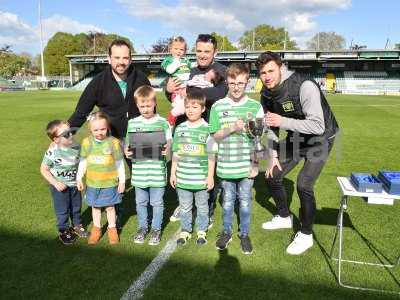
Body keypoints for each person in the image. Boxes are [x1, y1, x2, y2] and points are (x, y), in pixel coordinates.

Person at [256, 51, 339, 255]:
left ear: (281, 67)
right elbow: (270, 128)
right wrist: (273, 157)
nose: (267, 76)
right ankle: (284, 217)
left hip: (321, 138)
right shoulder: (266, 93)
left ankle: (306, 234)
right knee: (273, 174)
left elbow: (318, 126)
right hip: (297, 137)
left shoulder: (304, 86)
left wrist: (282, 121)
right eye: (262, 73)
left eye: (271, 71)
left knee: (303, 184)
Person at [68, 39, 150, 229]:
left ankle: (148, 215)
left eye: (125, 58)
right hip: (111, 141)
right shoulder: (98, 82)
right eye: (117, 57)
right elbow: (81, 112)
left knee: (146, 177)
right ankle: (118, 217)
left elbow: (150, 107)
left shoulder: (141, 78)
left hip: (140, 137)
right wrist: (63, 136)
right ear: (109, 58)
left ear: (131, 59)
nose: (121, 62)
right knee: (115, 180)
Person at [166, 33, 228, 224]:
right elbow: (173, 91)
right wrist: (167, 89)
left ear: (215, 52)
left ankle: (206, 208)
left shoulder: (221, 70)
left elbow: (219, 93)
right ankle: (184, 204)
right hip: (185, 129)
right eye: (199, 50)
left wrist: (190, 92)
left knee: (205, 170)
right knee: (184, 166)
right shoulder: (189, 69)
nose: (202, 55)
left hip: (207, 130)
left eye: (207, 51)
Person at [209, 63, 264, 255]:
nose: (236, 87)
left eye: (241, 82)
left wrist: (256, 165)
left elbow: (258, 139)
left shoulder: (255, 107)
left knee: (246, 202)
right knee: (227, 202)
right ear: (227, 82)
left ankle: (244, 233)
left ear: (247, 82)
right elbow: (215, 135)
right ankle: (226, 231)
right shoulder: (218, 106)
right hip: (225, 166)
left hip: (246, 167)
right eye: (232, 82)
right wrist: (232, 127)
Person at [125, 85, 172, 246]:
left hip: (157, 173)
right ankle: (142, 227)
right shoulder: (132, 123)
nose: (145, 109)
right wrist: (127, 151)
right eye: (141, 106)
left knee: (157, 203)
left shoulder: (163, 123)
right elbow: (128, 144)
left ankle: (156, 229)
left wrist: (169, 148)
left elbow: (170, 141)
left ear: (154, 103)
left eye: (148, 105)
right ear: (137, 105)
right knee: (140, 203)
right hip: (139, 173)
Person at [170, 90, 216, 246]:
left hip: (201, 179)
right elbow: (176, 152)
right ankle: (185, 230)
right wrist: (173, 173)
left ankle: (201, 230)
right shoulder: (180, 128)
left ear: (203, 109)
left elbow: (211, 155)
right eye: (188, 106)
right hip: (183, 178)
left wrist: (210, 176)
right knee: (184, 207)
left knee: (202, 207)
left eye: (195, 107)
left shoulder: (208, 129)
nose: (190, 110)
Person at [76, 112, 125, 245]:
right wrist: (79, 177)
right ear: (90, 129)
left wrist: (122, 181)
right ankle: (96, 229)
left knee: (110, 207)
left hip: (109, 182)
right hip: (92, 183)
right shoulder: (86, 142)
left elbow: (119, 163)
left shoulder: (113, 143)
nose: (99, 132)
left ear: (107, 127)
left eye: (102, 129)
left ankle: (112, 229)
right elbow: (83, 161)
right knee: (95, 207)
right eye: (95, 130)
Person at [40, 120, 88, 245]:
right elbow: (44, 169)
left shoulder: (77, 147)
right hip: (59, 187)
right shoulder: (53, 152)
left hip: (74, 184)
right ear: (56, 139)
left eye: (71, 132)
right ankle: (63, 230)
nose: (71, 135)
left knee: (76, 207)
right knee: (62, 210)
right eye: (66, 135)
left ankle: (77, 225)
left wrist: (79, 178)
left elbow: (82, 161)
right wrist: (55, 183)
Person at [161, 36, 192, 126]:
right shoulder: (169, 60)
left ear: (185, 51)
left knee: (187, 107)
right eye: (176, 49)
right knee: (180, 108)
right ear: (170, 49)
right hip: (177, 89)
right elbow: (170, 70)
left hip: (186, 87)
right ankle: (170, 120)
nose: (178, 51)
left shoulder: (186, 61)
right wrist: (177, 62)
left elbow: (190, 72)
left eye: (181, 49)